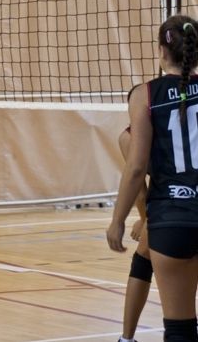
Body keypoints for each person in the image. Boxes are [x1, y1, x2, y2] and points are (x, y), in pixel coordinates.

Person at [107, 14, 198, 342]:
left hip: (172, 218)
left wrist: (119, 219)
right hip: (170, 216)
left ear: (161, 51)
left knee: (180, 330)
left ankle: (126, 338)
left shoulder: (146, 95)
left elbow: (134, 167)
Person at [116, 87, 153, 342]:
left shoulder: (127, 138)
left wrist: (147, 220)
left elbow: (137, 185)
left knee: (144, 259)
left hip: (171, 204)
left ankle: (126, 338)